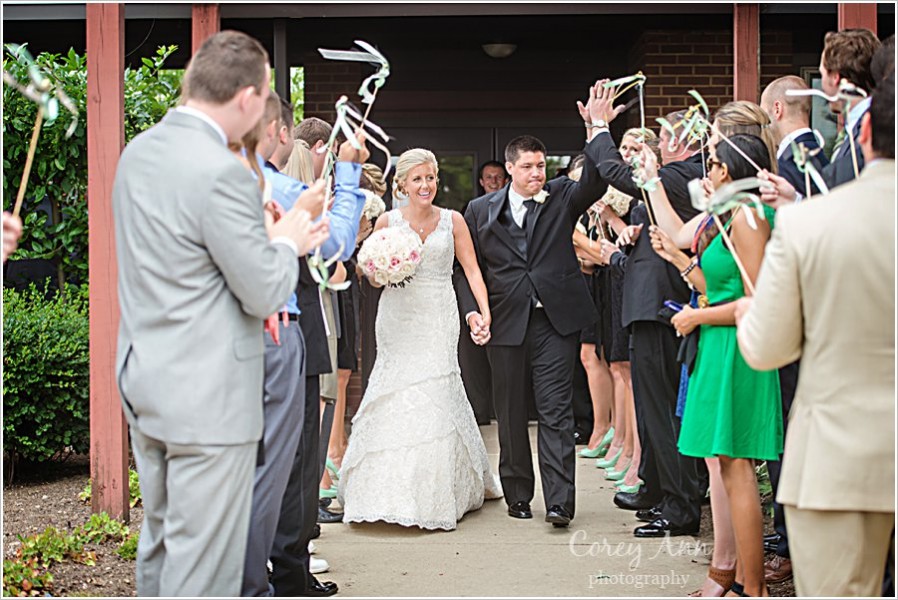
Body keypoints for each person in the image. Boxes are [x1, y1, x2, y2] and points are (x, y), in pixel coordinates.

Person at [113, 30, 327, 597]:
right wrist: (287, 239)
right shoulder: (223, 170)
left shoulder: (139, 152)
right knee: (206, 563)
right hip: (208, 393)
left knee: (161, 541)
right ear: (247, 99)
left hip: (146, 375)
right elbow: (262, 290)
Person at [735, 72, 895, 598]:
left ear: (864, 127)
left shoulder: (807, 224)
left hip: (837, 457)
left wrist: (741, 310)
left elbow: (766, 348)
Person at [457, 93, 609, 528]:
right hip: (505, 320)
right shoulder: (479, 210)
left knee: (556, 410)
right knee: (509, 411)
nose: (536, 173)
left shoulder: (561, 196)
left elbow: (595, 184)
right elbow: (467, 270)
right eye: (527, 166)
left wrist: (595, 130)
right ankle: (518, 493)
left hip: (555, 321)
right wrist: (473, 313)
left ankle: (560, 501)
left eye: (541, 166)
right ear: (509, 168)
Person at [642, 134, 783, 597]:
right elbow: (715, 283)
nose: (708, 172)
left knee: (737, 464)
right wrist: (679, 259)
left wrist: (696, 316)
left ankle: (754, 588)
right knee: (723, 463)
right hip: (717, 344)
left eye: (715, 164)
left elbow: (755, 300)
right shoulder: (725, 217)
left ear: (731, 172)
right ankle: (741, 579)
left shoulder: (749, 217)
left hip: (738, 348)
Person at [338, 148, 502, 530]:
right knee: (396, 387)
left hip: (438, 313)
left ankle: (438, 491)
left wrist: (484, 310)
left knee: (439, 388)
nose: (425, 185)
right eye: (417, 179)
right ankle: (383, 491)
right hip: (398, 317)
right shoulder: (386, 222)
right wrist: (383, 270)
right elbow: (372, 277)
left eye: (430, 178)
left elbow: (472, 270)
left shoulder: (453, 221)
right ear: (403, 185)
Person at [582, 80, 705, 536]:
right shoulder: (674, 179)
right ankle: (656, 487)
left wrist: (599, 127)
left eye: (663, 137)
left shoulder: (679, 175)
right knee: (651, 405)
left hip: (660, 305)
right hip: (648, 302)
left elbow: (618, 174)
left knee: (660, 408)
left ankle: (680, 504)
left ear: (678, 141)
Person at [268, 114, 368, 598]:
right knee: (299, 459)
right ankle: (289, 572)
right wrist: (348, 177)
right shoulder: (286, 192)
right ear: (282, 134)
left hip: (253, 337)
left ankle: (280, 566)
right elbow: (336, 247)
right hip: (293, 334)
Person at [760, 76, 830, 197]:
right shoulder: (818, 153)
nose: (763, 124)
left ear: (777, 109)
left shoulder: (790, 162)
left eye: (764, 113)